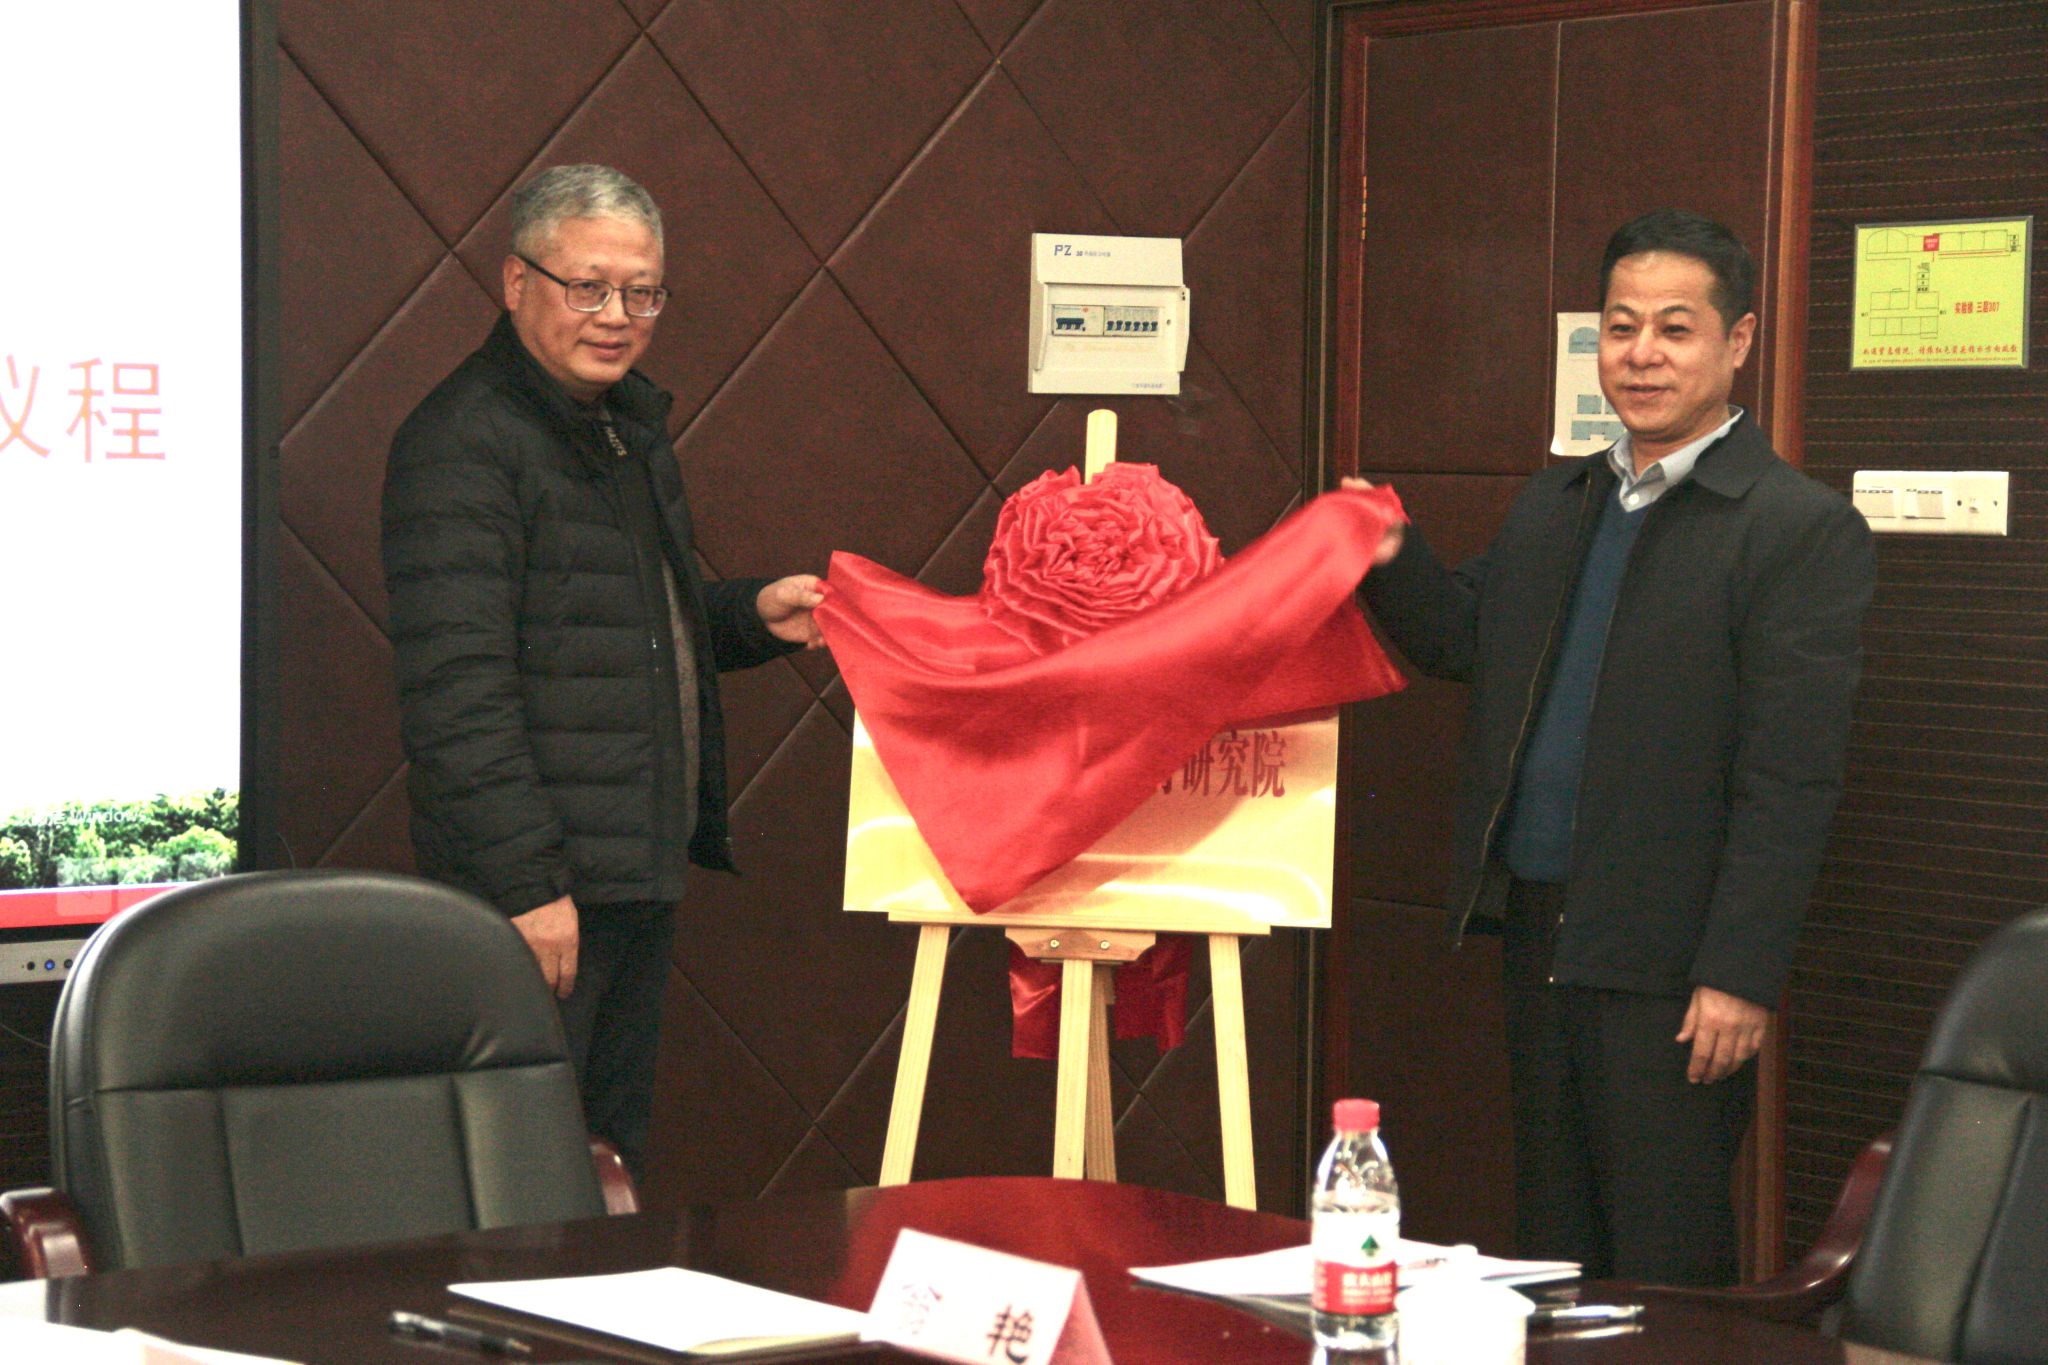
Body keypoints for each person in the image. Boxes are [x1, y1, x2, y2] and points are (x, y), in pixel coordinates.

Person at [1351, 209, 1874, 1284]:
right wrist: (1388, 554)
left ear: (1736, 341)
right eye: (1621, 327)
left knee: (1661, 1252)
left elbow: (1790, 779)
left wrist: (1738, 974)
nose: (1642, 355)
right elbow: (1464, 640)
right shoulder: (1561, 500)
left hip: (1675, 961)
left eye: (1675, 329)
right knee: (1553, 1246)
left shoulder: (1794, 527)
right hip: (1541, 929)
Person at [381, 164, 824, 1176]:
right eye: (588, 287)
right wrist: (528, 886)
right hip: (536, 897)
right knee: (524, 1180)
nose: (617, 316)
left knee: (604, 1161)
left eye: (641, 292)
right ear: (516, 281)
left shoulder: (621, 427)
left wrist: (750, 615)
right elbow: (457, 699)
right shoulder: (464, 443)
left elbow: (622, 627)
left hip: (628, 875)